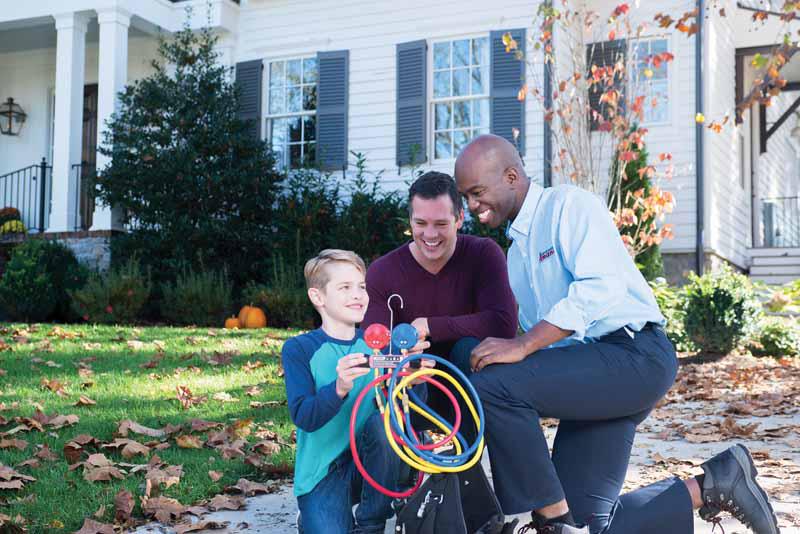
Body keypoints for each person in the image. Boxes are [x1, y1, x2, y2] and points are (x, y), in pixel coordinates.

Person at [453, 134, 779, 534]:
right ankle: (717, 483)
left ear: (510, 176)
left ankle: (549, 521)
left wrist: (524, 344)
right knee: (590, 524)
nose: (471, 206)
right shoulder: (516, 255)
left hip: (635, 355)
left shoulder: (567, 207)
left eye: (476, 192)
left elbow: (599, 288)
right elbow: (555, 340)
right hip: (593, 373)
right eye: (466, 196)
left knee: (490, 384)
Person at [362, 171, 517, 440]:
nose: (430, 234)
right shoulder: (383, 271)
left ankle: (470, 464)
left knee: (470, 347)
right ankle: (403, 462)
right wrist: (403, 357)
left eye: (441, 223)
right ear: (410, 220)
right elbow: (371, 346)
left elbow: (503, 324)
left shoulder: (483, 254)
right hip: (410, 388)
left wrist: (430, 326)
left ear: (460, 219)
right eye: (420, 223)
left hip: (474, 386)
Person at [282, 249, 426, 534]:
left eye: (361, 286)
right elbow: (304, 416)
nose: (358, 294)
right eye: (345, 287)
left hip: (373, 463)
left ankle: (371, 524)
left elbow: (413, 417)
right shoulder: (300, 349)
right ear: (318, 297)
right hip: (324, 472)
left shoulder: (381, 347)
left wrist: (414, 381)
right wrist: (338, 389)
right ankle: (315, 514)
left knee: (385, 426)